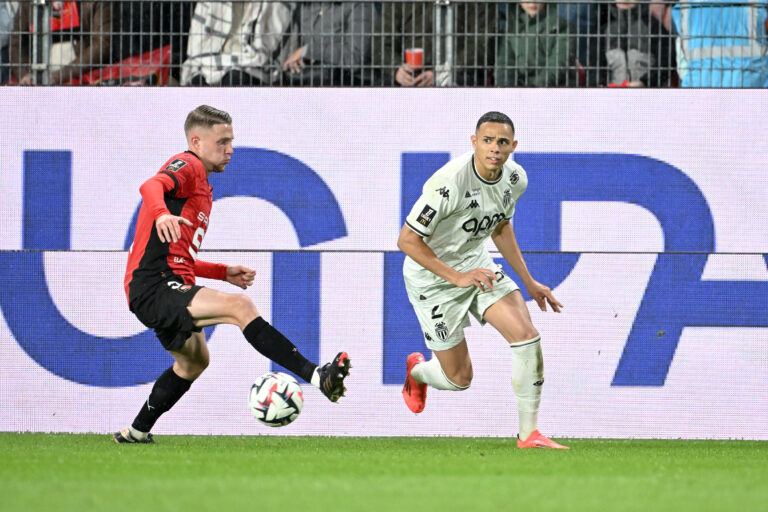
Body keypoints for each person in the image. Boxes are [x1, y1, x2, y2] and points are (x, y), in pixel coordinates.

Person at [114, 105, 350, 444]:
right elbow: (151, 186)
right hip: (152, 287)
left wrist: (222, 272)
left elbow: (179, 257)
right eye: (222, 141)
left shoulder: (204, 188)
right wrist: (161, 213)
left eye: (231, 141)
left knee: (193, 363)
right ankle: (316, 375)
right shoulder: (189, 165)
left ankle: (136, 432)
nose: (230, 149)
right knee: (240, 307)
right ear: (196, 141)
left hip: (170, 283)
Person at [398, 111, 567, 449]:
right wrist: (456, 277)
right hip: (432, 279)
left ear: (513, 146)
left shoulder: (515, 179)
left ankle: (528, 434)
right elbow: (407, 241)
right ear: (473, 142)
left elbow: (501, 227)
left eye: (502, 142)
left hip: (477, 266)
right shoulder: (447, 185)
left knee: (526, 336)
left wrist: (530, 282)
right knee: (459, 380)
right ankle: (417, 372)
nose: (494, 148)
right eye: (487, 141)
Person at [371, 2, 497, 87]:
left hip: (459, 77)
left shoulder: (479, 3)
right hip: (409, 79)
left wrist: (443, 73)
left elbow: (483, 45)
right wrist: (396, 69)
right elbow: (381, 42)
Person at [181, 1, 293, 86]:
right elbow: (196, 41)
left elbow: (266, 46)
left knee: (235, 77)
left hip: (248, 62)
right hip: (211, 60)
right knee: (196, 82)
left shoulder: (272, 4)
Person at [281, 2, 379, 86]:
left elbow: (355, 58)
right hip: (310, 78)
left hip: (352, 82)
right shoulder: (306, 6)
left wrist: (307, 51)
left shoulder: (360, 5)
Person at [595, 0, 675, 87]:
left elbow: (667, 59)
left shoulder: (653, 26)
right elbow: (595, 64)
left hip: (647, 94)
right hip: (613, 95)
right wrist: (600, 84)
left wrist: (645, 82)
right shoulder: (605, 30)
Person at [495, 2, 577, 87]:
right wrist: (507, 92)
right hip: (520, 92)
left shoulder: (563, 27)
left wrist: (535, 90)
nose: (532, 1)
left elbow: (558, 64)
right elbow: (504, 65)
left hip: (558, 90)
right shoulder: (510, 29)